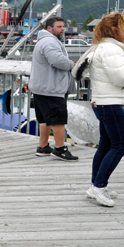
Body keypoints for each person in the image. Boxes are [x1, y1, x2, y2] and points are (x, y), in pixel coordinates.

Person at [85, 12, 124, 207]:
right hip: (110, 103)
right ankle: (98, 187)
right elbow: (122, 78)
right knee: (121, 145)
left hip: (102, 102)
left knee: (105, 145)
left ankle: (95, 185)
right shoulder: (112, 50)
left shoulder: (102, 47)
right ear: (115, 29)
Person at [29, 16, 78, 161]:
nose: (63, 29)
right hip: (52, 88)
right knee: (58, 119)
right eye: (59, 26)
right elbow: (58, 61)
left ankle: (43, 147)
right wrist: (72, 64)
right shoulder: (50, 42)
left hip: (41, 87)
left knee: (45, 119)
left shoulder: (43, 41)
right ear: (50, 29)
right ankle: (60, 149)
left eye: (63, 26)